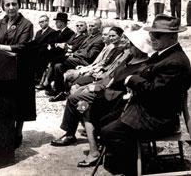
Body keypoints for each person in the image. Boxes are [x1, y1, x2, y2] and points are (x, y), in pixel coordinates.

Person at [101, 14, 191, 175]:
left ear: (172, 36)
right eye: (151, 34)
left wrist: (132, 79)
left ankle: (131, 170)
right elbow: (147, 74)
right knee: (104, 118)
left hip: (158, 118)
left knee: (110, 132)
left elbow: (156, 92)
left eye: (157, 35)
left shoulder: (176, 61)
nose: (152, 38)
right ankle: (128, 163)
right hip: (147, 109)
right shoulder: (162, 53)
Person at [50, 28, 153, 169]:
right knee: (79, 101)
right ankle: (90, 140)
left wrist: (96, 87)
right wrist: (96, 85)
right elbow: (112, 77)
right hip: (106, 92)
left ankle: (88, 145)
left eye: (131, 45)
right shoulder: (130, 59)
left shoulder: (142, 66)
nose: (128, 46)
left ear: (138, 48)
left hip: (116, 100)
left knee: (80, 103)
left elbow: (123, 88)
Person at [0, 0, 34, 149]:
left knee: (18, 103)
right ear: (3, 7)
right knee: (3, 102)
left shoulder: (26, 24)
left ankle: (18, 133)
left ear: (19, 5)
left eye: (14, 4)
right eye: (7, 5)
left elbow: (23, 47)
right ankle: (4, 131)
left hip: (19, 69)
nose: (11, 7)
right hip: (0, 70)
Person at [46, 18, 105, 97]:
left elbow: (90, 55)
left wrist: (74, 54)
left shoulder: (99, 39)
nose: (90, 28)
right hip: (77, 59)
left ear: (99, 27)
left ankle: (47, 82)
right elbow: (80, 49)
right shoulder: (89, 37)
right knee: (58, 65)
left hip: (85, 62)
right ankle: (60, 91)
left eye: (93, 26)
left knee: (57, 58)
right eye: (89, 26)